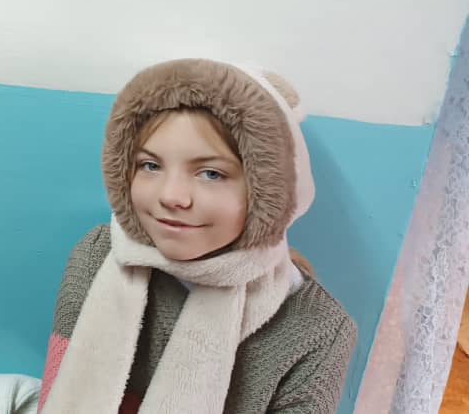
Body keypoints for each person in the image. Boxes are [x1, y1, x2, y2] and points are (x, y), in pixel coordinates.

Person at [39, 59, 356, 414]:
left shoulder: (318, 329)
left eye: (211, 173)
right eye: (150, 165)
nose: (171, 196)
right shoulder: (98, 255)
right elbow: (57, 392)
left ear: (269, 190)